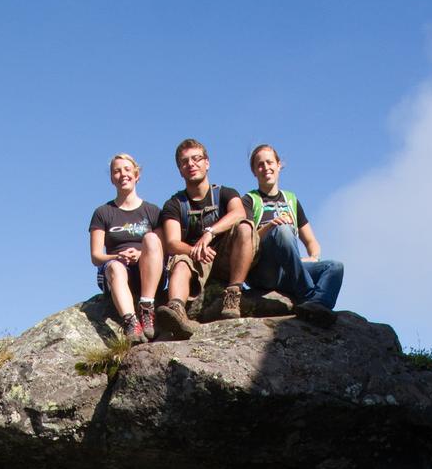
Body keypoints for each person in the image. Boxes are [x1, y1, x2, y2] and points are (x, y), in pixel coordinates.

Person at [156, 138, 259, 339]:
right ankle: (176, 308)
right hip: (196, 260)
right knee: (180, 260)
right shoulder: (174, 204)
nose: (191, 165)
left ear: (207, 162)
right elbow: (171, 243)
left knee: (246, 228)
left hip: (227, 256)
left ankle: (233, 294)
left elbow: (239, 213)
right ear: (180, 169)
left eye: (196, 159)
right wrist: (194, 250)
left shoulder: (225, 193)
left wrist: (209, 233)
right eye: (185, 162)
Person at [243, 143, 343, 325]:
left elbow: (311, 241)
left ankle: (316, 305)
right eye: (260, 165)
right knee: (282, 230)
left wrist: (313, 257)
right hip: (263, 269)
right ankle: (308, 294)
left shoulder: (291, 200)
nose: (266, 168)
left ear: (279, 164)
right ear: (254, 171)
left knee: (335, 267)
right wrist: (271, 226)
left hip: (290, 270)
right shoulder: (250, 200)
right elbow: (246, 240)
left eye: (269, 162)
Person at [88, 153, 164, 343]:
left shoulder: (153, 211)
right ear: (112, 179)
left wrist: (140, 254)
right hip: (117, 273)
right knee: (114, 266)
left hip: (148, 273)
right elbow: (96, 256)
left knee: (152, 239)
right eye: (117, 171)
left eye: (127, 170)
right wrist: (117, 256)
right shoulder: (103, 213)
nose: (123, 174)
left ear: (137, 175)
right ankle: (131, 322)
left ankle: (146, 308)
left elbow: (163, 249)